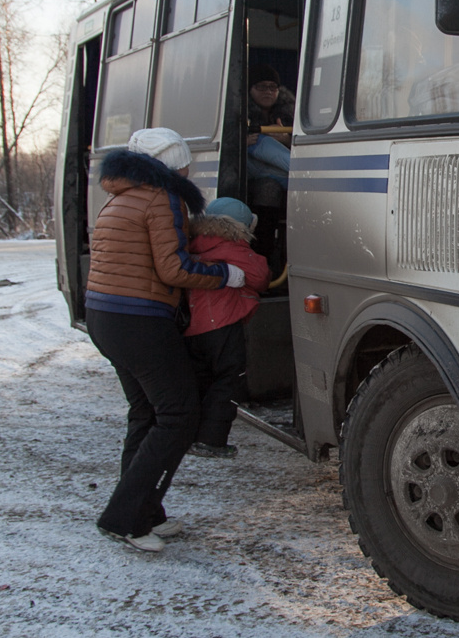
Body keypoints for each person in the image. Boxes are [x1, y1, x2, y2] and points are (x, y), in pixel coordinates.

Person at [85, 127, 246, 553]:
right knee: (178, 413)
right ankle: (125, 519)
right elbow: (172, 269)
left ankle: (144, 513)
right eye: (186, 160)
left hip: (104, 316)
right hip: (139, 320)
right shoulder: (164, 197)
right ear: (174, 164)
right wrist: (224, 274)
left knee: (145, 412)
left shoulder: (121, 195)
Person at [183, 197, 271, 459]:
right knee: (229, 381)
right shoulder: (233, 248)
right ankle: (212, 440)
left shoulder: (193, 244)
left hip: (192, 327)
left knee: (202, 381)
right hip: (222, 325)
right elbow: (261, 278)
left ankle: (192, 435)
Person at [246, 65, 294, 188]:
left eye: (273, 87)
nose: (268, 91)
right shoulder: (238, 114)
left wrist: (287, 140)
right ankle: (302, 170)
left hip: (278, 173)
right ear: (250, 89)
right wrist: (240, 144)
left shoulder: (290, 114)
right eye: (261, 87)